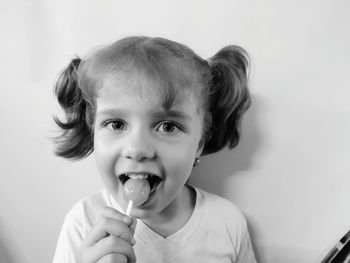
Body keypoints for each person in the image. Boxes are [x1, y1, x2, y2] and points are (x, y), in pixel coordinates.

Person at [52, 36, 257, 263]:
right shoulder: (83, 222)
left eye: (167, 127)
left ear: (199, 144)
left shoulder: (228, 223)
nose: (138, 149)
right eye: (116, 124)